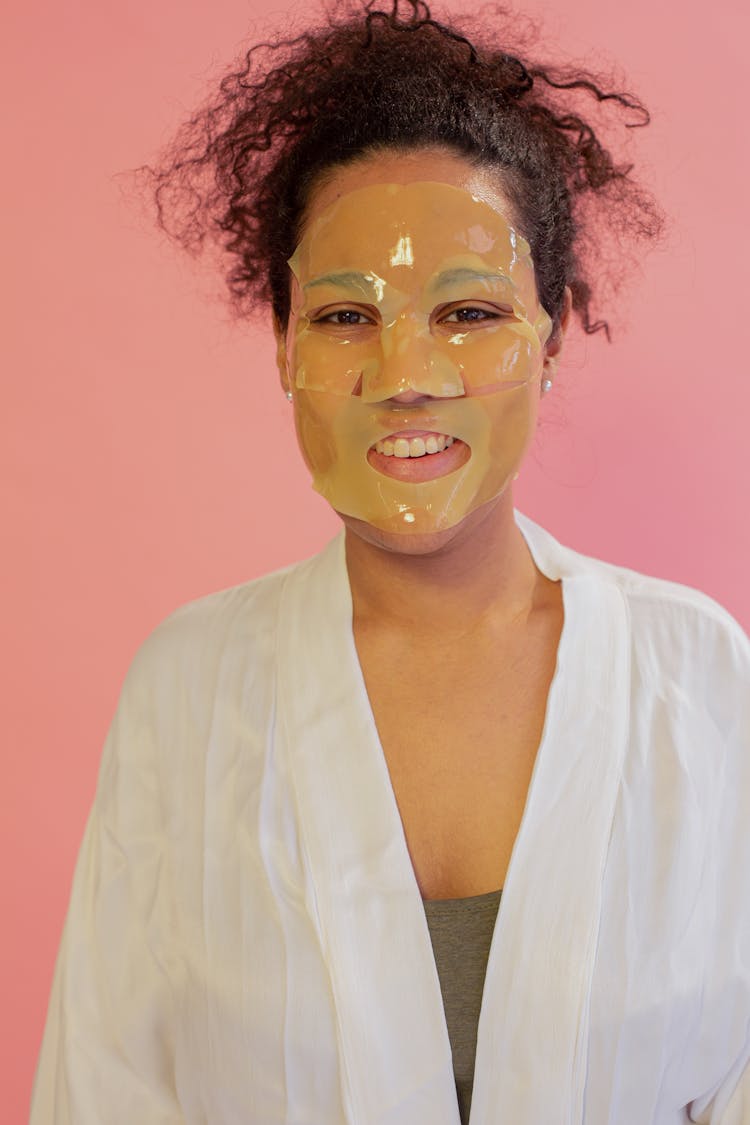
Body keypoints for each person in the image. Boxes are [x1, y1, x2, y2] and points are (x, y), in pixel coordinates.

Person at [30, 2, 750, 1122]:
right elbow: (105, 1091)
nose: (406, 372)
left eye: (468, 311)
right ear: (282, 344)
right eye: (344, 316)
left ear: (551, 336)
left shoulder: (699, 679)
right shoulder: (189, 690)